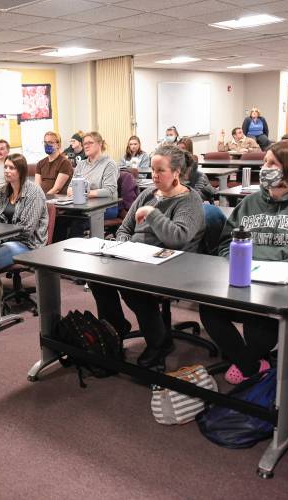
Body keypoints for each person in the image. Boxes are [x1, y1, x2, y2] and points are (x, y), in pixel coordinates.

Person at [199, 140, 288, 384]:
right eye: (265, 162)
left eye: (272, 163)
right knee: (209, 309)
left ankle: (248, 361)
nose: (265, 167)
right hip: (243, 280)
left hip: (280, 287)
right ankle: (252, 365)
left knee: (259, 329)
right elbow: (226, 243)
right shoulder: (250, 202)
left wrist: (281, 269)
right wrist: (235, 263)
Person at [89, 145, 205, 371]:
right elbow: (124, 228)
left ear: (177, 173)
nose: (154, 175)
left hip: (173, 262)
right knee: (97, 278)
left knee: (132, 286)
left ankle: (159, 342)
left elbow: (178, 238)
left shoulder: (190, 201)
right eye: (152, 170)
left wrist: (153, 214)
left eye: (160, 170)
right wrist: (123, 247)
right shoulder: (147, 194)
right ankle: (116, 329)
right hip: (136, 258)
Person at [55, 131, 118, 240]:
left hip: (105, 207)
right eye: (85, 143)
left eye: (90, 142)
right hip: (81, 206)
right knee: (59, 220)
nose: (86, 146)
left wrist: (84, 194)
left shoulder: (109, 164)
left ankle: (76, 254)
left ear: (100, 144)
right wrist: (78, 193)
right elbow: (70, 189)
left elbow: (109, 191)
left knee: (76, 223)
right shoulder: (81, 164)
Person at [177, 137, 215, 202]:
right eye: (178, 148)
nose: (180, 151)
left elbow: (189, 179)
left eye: (183, 148)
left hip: (199, 185)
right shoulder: (175, 159)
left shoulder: (192, 160)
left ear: (188, 149)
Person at [35, 130, 73, 195]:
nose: (47, 145)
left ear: (58, 144)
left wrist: (43, 199)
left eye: (50, 142)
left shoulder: (65, 163)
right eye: (45, 142)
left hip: (56, 199)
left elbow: (56, 189)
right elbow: (37, 187)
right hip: (42, 199)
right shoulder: (40, 163)